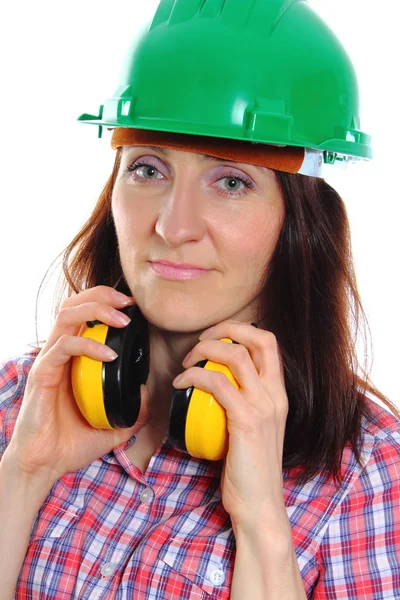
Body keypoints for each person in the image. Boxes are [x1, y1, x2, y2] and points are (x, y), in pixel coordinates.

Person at [1, 0, 399, 598]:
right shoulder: (21, 398)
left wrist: (263, 517)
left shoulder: (365, 474)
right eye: (148, 170)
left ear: (300, 225)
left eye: (231, 181)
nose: (173, 225)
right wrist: (24, 473)